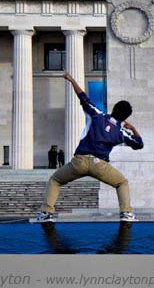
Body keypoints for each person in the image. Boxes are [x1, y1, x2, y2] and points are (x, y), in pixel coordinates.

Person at [35, 71, 144, 223]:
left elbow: (83, 97)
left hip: (79, 162)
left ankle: (46, 214)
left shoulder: (97, 115)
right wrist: (133, 129)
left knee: (55, 180)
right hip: (99, 165)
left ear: (113, 109)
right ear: (125, 117)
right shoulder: (121, 132)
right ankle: (126, 213)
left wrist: (71, 79)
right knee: (121, 183)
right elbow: (139, 145)